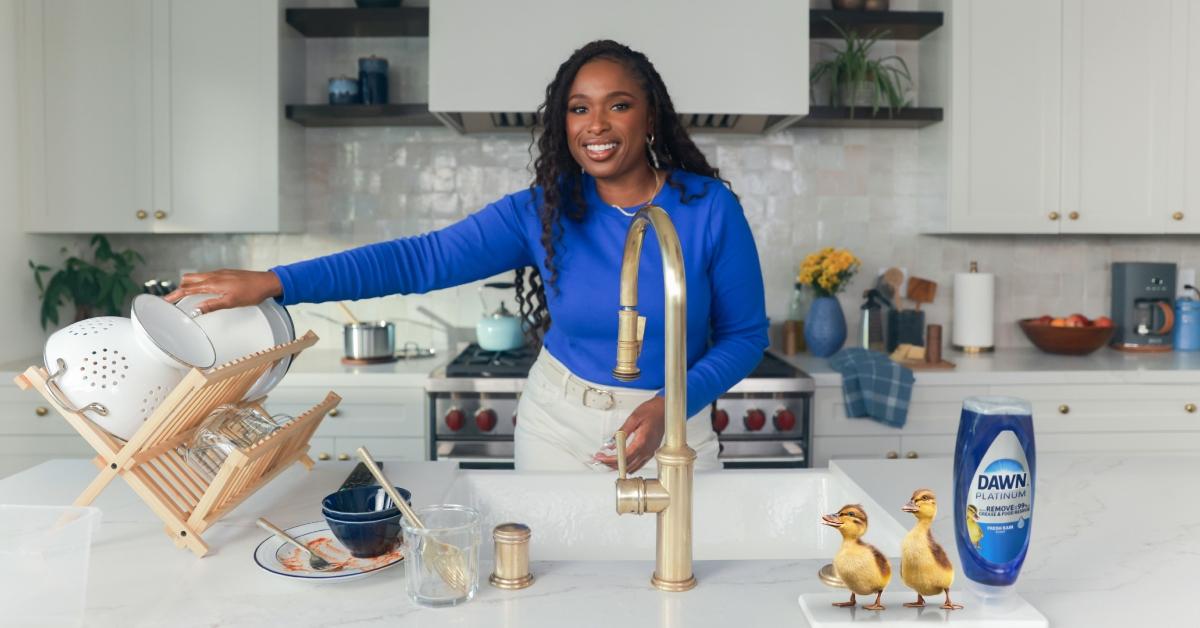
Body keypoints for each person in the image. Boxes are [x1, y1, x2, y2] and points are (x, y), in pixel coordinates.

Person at [165, 40, 768, 473]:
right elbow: (417, 260)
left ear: (650, 114)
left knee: (673, 588)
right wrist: (275, 281)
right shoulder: (544, 209)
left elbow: (744, 336)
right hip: (557, 427)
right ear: (564, 123)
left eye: (618, 104)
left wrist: (671, 405)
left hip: (674, 425)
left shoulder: (708, 208)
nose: (596, 124)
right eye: (579, 108)